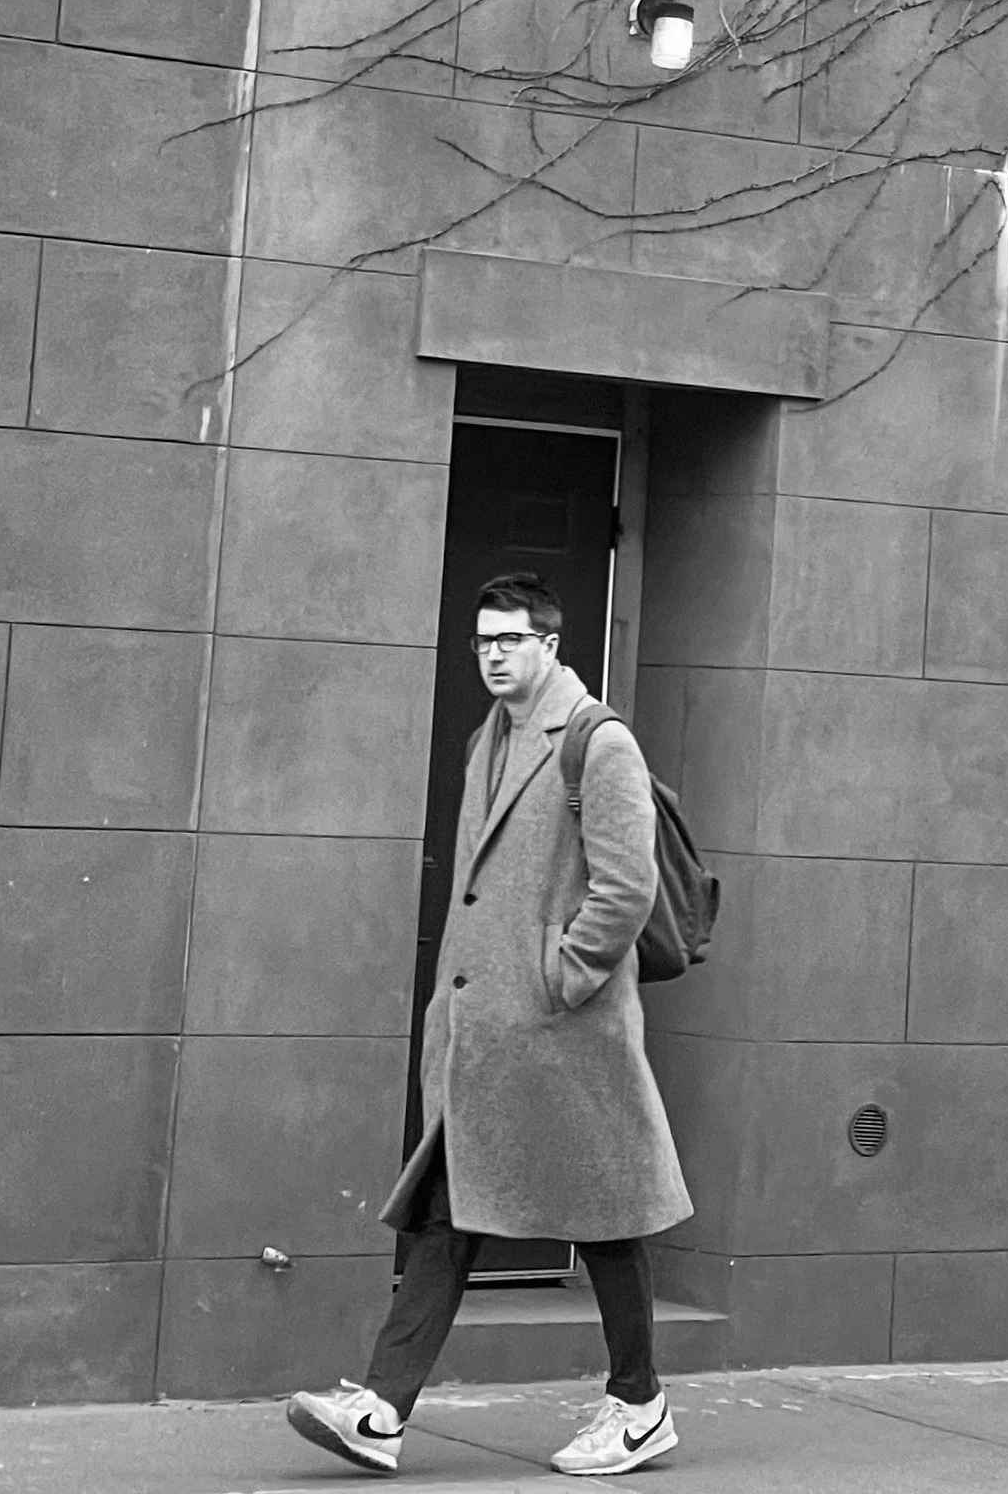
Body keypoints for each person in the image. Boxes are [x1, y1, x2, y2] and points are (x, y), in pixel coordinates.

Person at [287, 573, 693, 1479]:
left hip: (563, 1033)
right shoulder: (489, 738)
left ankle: (639, 1405)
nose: (494, 655)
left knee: (609, 1216)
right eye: (483, 641)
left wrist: (559, 978)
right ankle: (383, 1409)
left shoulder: (598, 741)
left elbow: (627, 889)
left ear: (550, 643)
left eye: (511, 639)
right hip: (486, 1033)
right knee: (449, 1207)